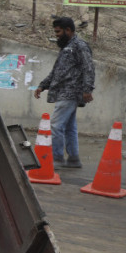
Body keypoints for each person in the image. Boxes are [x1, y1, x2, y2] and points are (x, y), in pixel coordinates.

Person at [34, 17, 95, 169]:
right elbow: (57, 71)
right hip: (64, 92)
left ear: (68, 30)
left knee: (55, 125)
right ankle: (73, 159)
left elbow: (89, 68)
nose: (56, 35)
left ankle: (57, 158)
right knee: (69, 127)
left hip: (70, 93)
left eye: (58, 32)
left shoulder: (80, 46)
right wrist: (43, 85)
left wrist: (88, 89)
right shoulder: (66, 47)